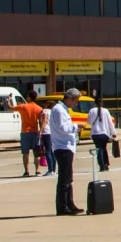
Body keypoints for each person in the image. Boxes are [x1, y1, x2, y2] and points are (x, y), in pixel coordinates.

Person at [49, 87, 83, 215]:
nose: (76, 103)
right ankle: (62, 207)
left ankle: (70, 203)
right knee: (64, 179)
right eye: (75, 101)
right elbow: (63, 128)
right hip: (62, 147)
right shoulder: (59, 110)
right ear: (69, 98)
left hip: (67, 146)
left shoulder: (63, 109)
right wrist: (76, 127)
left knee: (68, 178)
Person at [87, 94, 117, 173]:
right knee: (103, 148)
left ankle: (102, 165)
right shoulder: (105, 111)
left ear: (95, 103)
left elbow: (89, 122)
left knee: (99, 149)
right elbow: (110, 122)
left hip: (95, 133)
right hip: (104, 133)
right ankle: (106, 164)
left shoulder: (91, 111)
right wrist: (113, 132)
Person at [17, 91, 44, 177]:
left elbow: (10, 107)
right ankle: (37, 170)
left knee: (25, 153)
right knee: (37, 153)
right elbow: (41, 121)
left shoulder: (23, 107)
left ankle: (26, 171)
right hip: (35, 132)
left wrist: (8, 100)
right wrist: (41, 131)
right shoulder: (39, 108)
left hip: (25, 132)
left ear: (29, 97)